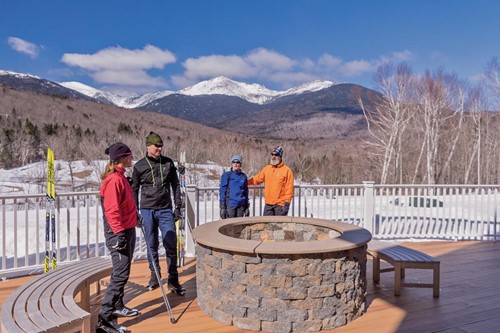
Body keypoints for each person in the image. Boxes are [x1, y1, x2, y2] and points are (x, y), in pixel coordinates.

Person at [131, 132, 185, 294]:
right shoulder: (139, 166)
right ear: (148, 146)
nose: (159, 149)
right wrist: (135, 211)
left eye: (161, 146)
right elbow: (134, 190)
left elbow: (175, 186)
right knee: (151, 244)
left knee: (170, 242)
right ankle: (154, 275)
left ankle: (173, 279)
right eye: (156, 146)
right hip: (147, 210)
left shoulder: (168, 163)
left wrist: (178, 206)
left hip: (165, 210)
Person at [97, 142, 138, 333]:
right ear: (122, 159)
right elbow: (112, 210)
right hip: (118, 232)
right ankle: (104, 320)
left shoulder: (122, 177)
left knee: (123, 270)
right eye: (129, 156)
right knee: (120, 274)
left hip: (126, 228)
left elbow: (124, 205)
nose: (132, 158)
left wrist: (134, 217)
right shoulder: (114, 180)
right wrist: (119, 234)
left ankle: (118, 305)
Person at [248, 146, 294, 216]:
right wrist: (244, 182)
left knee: (279, 226)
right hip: (268, 204)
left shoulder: (287, 170)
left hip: (280, 205)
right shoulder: (267, 168)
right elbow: (257, 179)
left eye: (276, 155)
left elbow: (289, 189)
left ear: (280, 156)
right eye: (272, 154)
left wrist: (287, 204)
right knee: (266, 225)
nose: (273, 156)